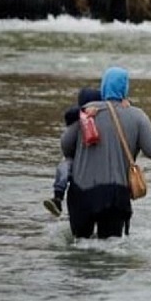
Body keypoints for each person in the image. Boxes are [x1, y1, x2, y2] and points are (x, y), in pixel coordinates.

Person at [60, 66, 151, 239]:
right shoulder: (136, 116)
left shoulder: (85, 113)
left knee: (79, 246)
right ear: (125, 88)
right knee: (111, 251)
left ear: (103, 86)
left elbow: (66, 146)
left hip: (82, 194)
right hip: (116, 196)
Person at [44, 86, 103, 217]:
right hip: (79, 161)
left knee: (64, 166)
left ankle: (58, 196)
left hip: (88, 163)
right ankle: (58, 198)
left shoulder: (103, 114)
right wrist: (84, 111)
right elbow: (69, 114)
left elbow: (66, 146)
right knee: (64, 167)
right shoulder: (77, 116)